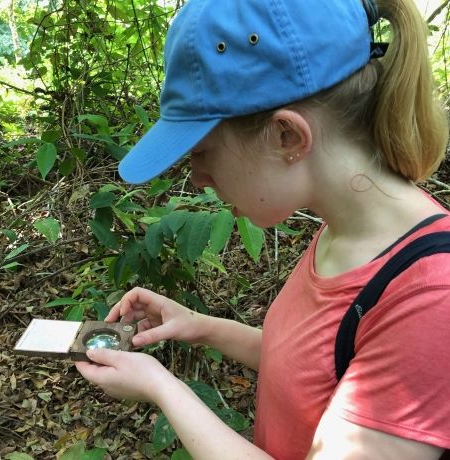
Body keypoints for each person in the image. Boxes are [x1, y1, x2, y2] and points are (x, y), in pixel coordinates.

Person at [75, 0, 450, 458]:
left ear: (287, 137)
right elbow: (310, 370)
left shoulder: (430, 298)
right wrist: (201, 327)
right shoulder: (346, 233)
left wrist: (163, 389)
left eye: (202, 153)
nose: (198, 179)